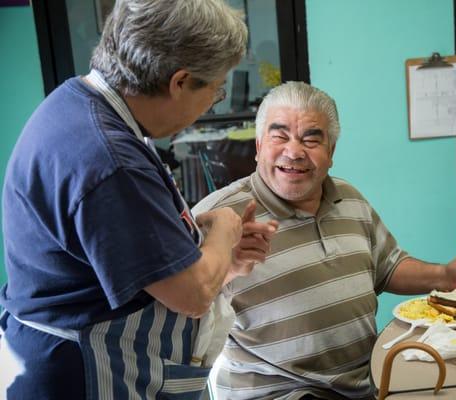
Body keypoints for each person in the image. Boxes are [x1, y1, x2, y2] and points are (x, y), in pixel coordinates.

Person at [0, 1, 276, 399]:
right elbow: (192, 295)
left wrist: (222, 264)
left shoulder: (77, 104)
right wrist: (222, 232)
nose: (208, 107)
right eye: (215, 92)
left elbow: (132, 261)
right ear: (179, 82)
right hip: (82, 372)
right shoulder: (110, 159)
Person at [192, 81, 456, 399]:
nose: (294, 151)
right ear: (258, 146)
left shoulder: (349, 199)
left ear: (331, 152)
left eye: (311, 139)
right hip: (277, 393)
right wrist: (226, 265)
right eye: (279, 136)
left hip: (361, 384)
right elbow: (182, 306)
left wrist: (446, 276)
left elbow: (388, 266)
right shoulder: (219, 217)